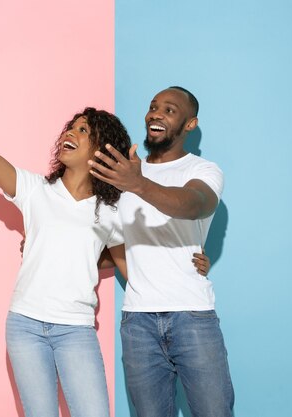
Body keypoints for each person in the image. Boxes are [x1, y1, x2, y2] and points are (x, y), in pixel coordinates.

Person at [0, 83, 211, 417]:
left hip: (76, 330)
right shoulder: (34, 190)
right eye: (71, 126)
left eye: (84, 130)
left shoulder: (111, 210)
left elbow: (137, 265)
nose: (71, 132)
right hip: (25, 326)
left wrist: (189, 261)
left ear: (101, 151)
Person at [88, 86, 234, 417]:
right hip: (138, 321)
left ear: (189, 124)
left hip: (192, 315)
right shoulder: (121, 172)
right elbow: (116, 245)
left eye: (169, 110)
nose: (156, 113)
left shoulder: (202, 170)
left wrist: (137, 183)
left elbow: (195, 205)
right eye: (153, 106)